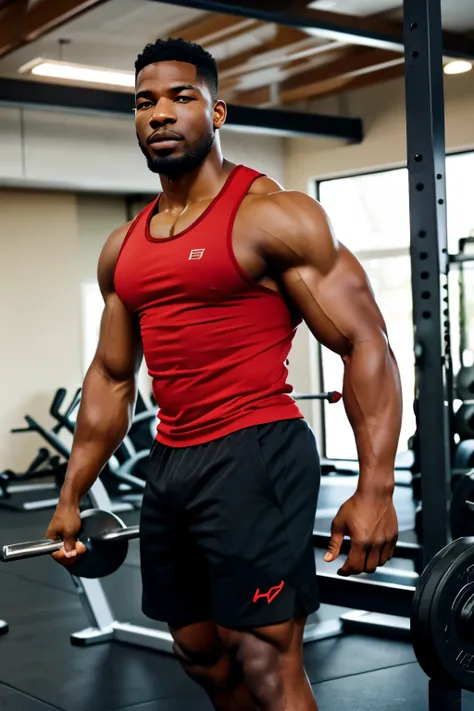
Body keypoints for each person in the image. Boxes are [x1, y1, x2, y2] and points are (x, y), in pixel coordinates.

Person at [45, 37, 403, 711]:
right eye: (145, 101)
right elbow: (112, 375)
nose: (160, 114)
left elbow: (365, 342)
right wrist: (73, 494)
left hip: (256, 450)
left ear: (218, 112)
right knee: (201, 653)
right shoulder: (124, 247)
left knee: (265, 656)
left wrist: (375, 485)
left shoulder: (272, 215)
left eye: (182, 98)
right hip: (173, 460)